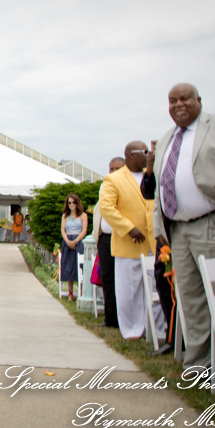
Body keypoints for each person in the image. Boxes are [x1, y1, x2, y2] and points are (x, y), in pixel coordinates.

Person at [149, 83, 215, 370]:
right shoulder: (168, 138)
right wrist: (160, 229)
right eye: (172, 100)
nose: (178, 104)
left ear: (199, 100)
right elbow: (162, 187)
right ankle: (198, 366)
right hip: (179, 231)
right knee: (191, 301)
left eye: (185, 98)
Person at [98, 141, 156, 339]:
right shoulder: (113, 179)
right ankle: (132, 329)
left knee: (156, 288)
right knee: (129, 290)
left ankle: (157, 329)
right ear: (130, 155)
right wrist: (129, 228)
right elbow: (107, 208)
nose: (148, 155)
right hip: (129, 243)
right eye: (144, 152)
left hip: (154, 242)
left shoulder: (152, 174)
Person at [92, 157, 124, 328]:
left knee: (122, 277)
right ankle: (110, 317)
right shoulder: (105, 185)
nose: (113, 172)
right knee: (107, 277)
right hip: (105, 237)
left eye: (117, 168)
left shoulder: (128, 185)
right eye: (111, 169)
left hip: (122, 237)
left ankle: (123, 318)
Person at [59, 193, 88, 301]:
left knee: (79, 267)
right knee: (68, 267)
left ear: (77, 203)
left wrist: (75, 241)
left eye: (73, 202)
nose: (71, 205)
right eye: (69, 203)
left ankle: (80, 292)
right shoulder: (65, 216)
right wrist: (67, 241)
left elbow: (84, 231)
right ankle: (70, 293)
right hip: (67, 242)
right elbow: (62, 230)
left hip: (78, 242)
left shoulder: (83, 215)